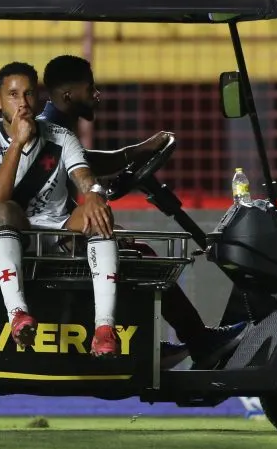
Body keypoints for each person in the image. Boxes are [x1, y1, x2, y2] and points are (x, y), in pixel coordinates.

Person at [39, 55, 248, 370]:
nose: (97, 95)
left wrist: (138, 152)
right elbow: (78, 175)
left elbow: (87, 162)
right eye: (89, 88)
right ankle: (188, 342)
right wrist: (137, 152)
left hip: (56, 238)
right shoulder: (51, 133)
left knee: (139, 251)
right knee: (140, 258)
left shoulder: (58, 131)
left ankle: (170, 341)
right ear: (67, 94)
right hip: (50, 245)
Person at [0, 62, 121, 357]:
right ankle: (18, 315)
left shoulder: (61, 137)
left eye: (27, 94)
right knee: (6, 211)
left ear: (37, 98)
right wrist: (17, 143)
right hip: (8, 230)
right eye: (13, 95)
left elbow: (87, 180)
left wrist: (95, 194)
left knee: (98, 213)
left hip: (56, 229)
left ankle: (104, 328)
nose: (22, 103)